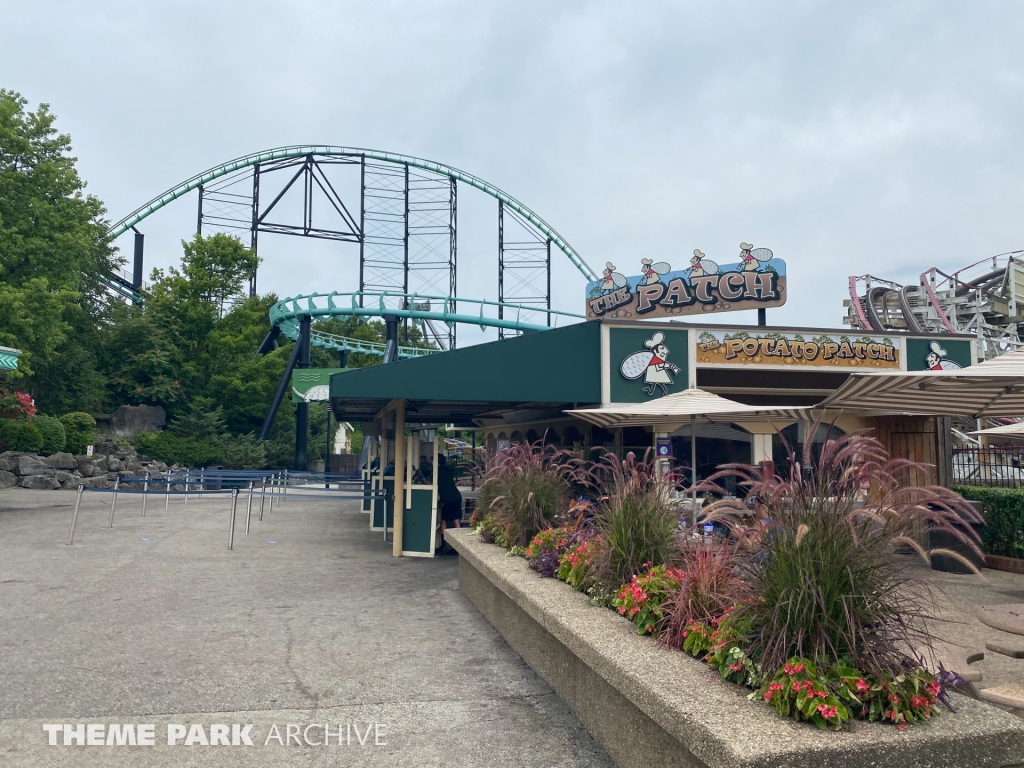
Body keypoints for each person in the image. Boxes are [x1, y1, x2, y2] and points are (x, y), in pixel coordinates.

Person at [436, 454, 463, 553]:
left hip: (448, 499)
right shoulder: (447, 470)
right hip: (456, 496)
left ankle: (444, 545)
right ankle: (459, 546)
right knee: (456, 520)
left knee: (444, 520)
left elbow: (430, 483)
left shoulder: (436, 472)